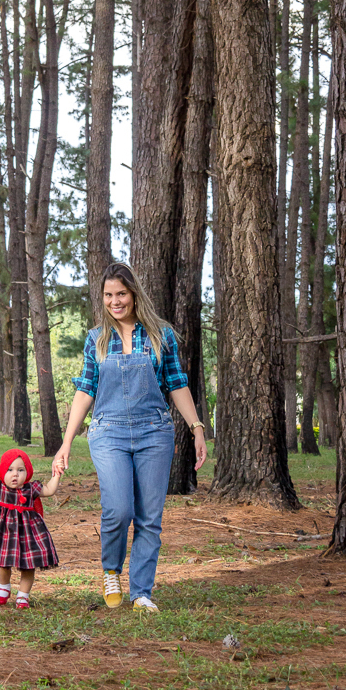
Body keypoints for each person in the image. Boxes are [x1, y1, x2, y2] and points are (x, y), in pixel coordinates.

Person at [53, 262, 207, 613]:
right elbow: (85, 389)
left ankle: (141, 592)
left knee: (150, 517)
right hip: (108, 432)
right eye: (108, 295)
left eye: (120, 293)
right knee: (119, 510)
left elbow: (177, 383)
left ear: (134, 293)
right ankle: (111, 570)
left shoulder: (160, 335)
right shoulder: (97, 338)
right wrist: (66, 442)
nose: (114, 301)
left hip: (154, 431)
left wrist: (197, 427)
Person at [0, 447, 61, 609]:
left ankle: (23, 596)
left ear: (28, 472)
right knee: (3, 562)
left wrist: (57, 473)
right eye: (10, 470)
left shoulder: (31, 489)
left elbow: (51, 490)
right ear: (3, 471)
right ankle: (4, 587)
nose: (15, 474)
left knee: (29, 565)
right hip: (5, 533)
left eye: (20, 470)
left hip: (28, 534)